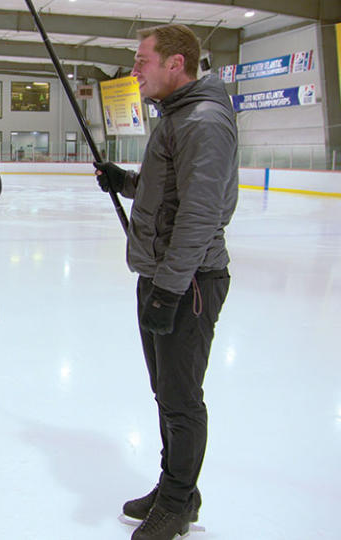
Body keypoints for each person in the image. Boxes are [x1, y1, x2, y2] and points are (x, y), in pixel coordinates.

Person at [94, 24, 237, 540]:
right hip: (164, 274)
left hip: (188, 280)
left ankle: (178, 504)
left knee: (180, 396)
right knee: (166, 393)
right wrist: (126, 183)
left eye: (142, 60)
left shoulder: (203, 121)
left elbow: (201, 214)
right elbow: (170, 193)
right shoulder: (178, 117)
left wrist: (172, 288)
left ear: (176, 63)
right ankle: (176, 485)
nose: (135, 70)